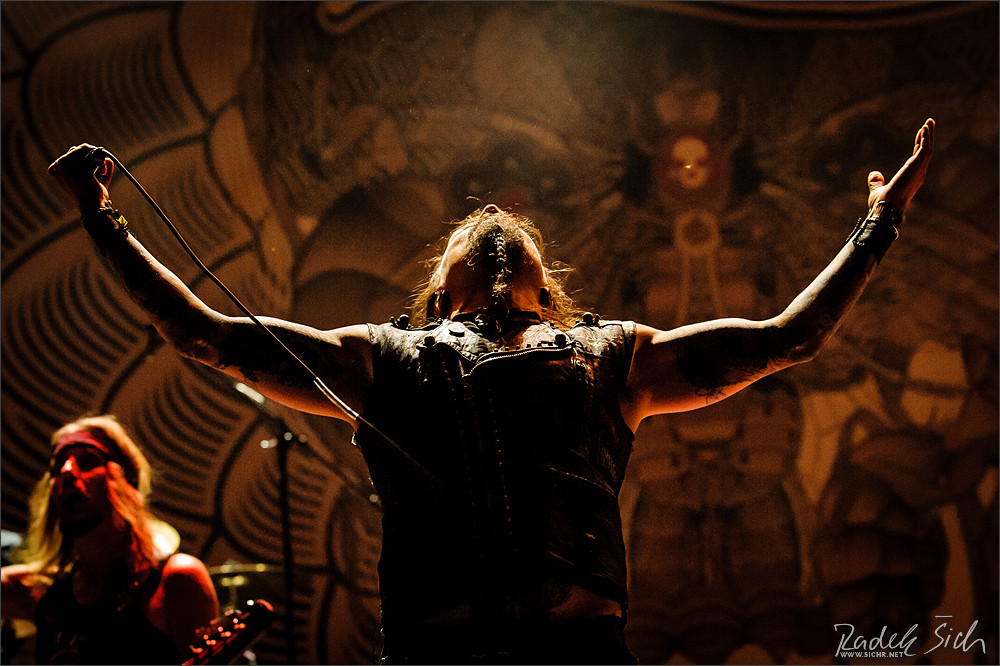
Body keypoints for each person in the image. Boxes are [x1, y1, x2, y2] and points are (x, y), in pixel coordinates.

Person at [47, 118, 934, 664]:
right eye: (473, 232)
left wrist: (879, 224)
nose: (496, 226)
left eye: (512, 229)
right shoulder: (380, 360)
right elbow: (204, 333)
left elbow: (790, 337)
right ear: (439, 291)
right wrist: (102, 215)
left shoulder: (616, 359)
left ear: (549, 288)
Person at [0, 416, 219, 664]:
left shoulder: (175, 580)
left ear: (126, 481)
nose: (67, 472)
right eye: (58, 465)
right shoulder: (51, 591)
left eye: (87, 461)